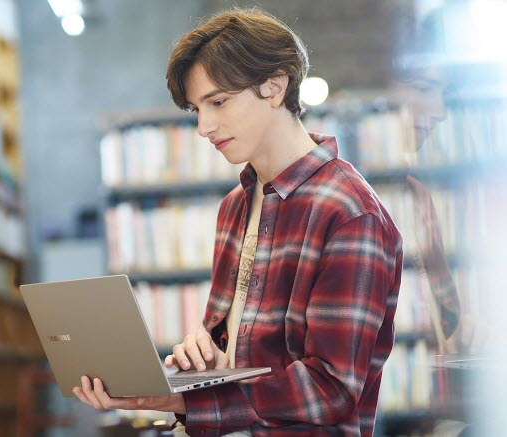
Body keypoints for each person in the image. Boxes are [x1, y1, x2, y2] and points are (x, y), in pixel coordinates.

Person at [73, 8, 403, 436]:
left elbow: (331, 388)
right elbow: (238, 355)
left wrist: (183, 398)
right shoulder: (235, 206)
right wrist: (202, 362)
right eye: (197, 110)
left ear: (275, 85)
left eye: (218, 101)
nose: (205, 127)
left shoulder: (348, 212)